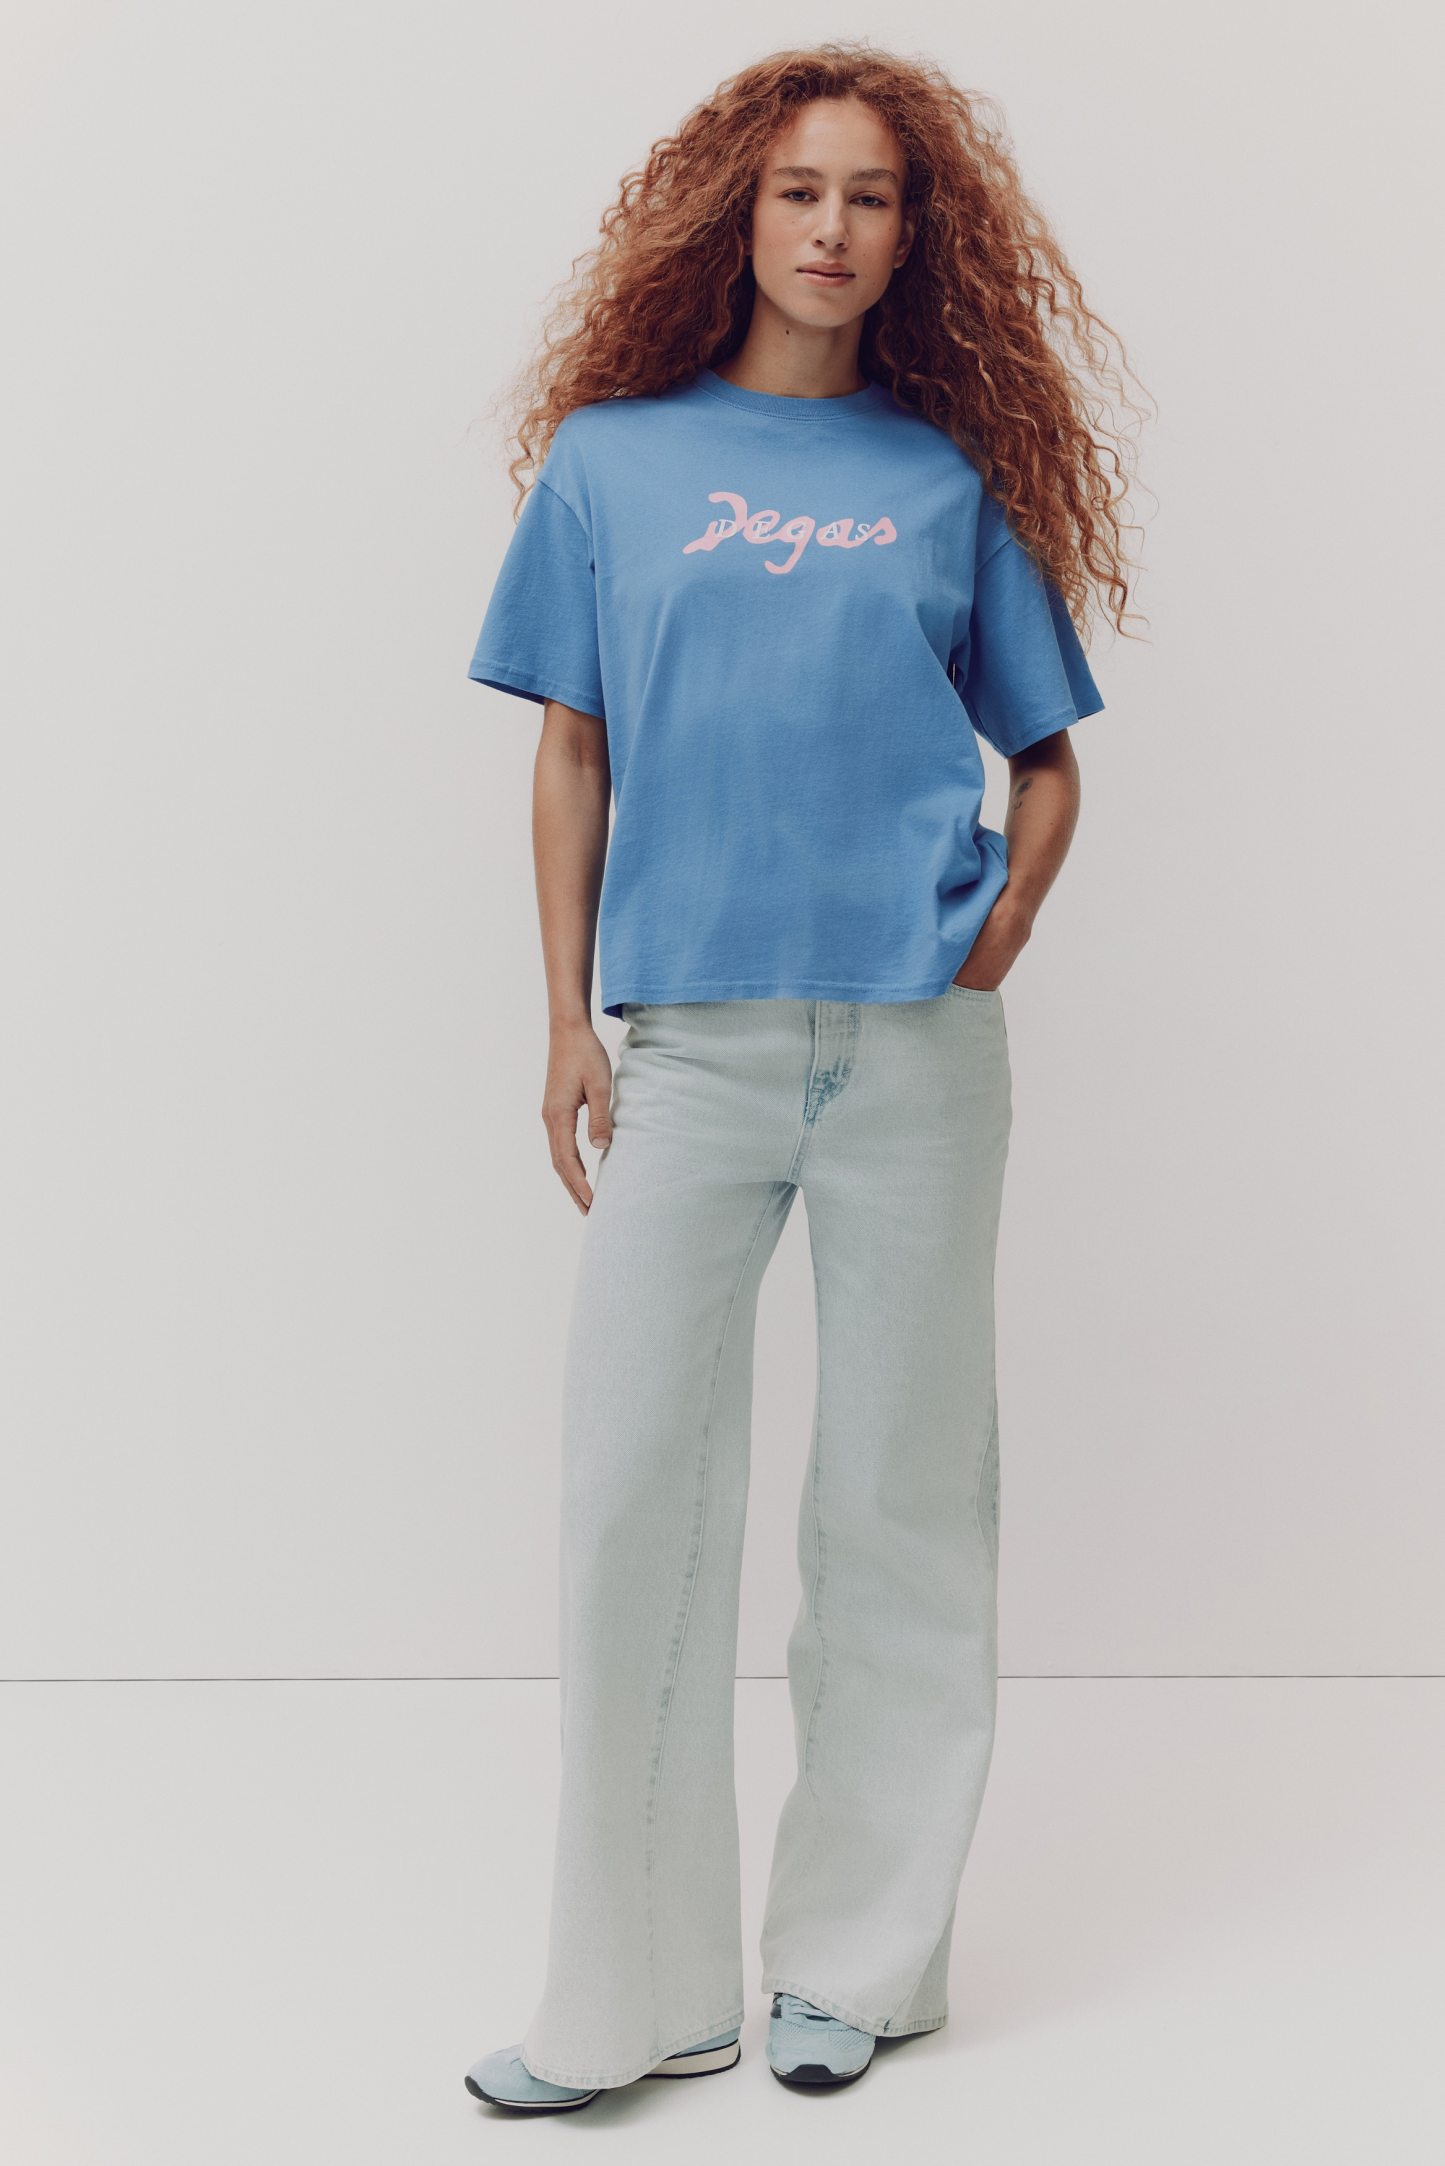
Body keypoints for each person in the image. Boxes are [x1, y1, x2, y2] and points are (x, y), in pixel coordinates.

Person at [461, 40, 1145, 2114]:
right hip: (690, 1047)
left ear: (914, 234)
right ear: (734, 215)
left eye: (869, 196)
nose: (832, 227)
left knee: (900, 1503)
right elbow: (570, 749)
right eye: (797, 191)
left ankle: (856, 1964)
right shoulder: (612, 464)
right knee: (632, 1503)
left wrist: (994, 931)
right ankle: (634, 1997)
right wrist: (566, 1018)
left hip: (917, 1055)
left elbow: (1047, 761)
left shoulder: (948, 481)